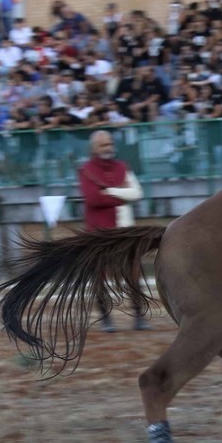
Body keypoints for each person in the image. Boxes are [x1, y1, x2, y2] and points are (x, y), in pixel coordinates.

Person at [79, 129, 150, 331]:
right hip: (99, 232)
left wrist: (109, 191)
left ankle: (139, 317)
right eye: (103, 145)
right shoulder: (86, 170)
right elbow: (93, 199)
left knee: (134, 274)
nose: (108, 147)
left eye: (110, 143)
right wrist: (122, 195)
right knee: (99, 278)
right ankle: (106, 319)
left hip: (124, 229)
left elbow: (137, 193)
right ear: (94, 148)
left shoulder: (122, 166)